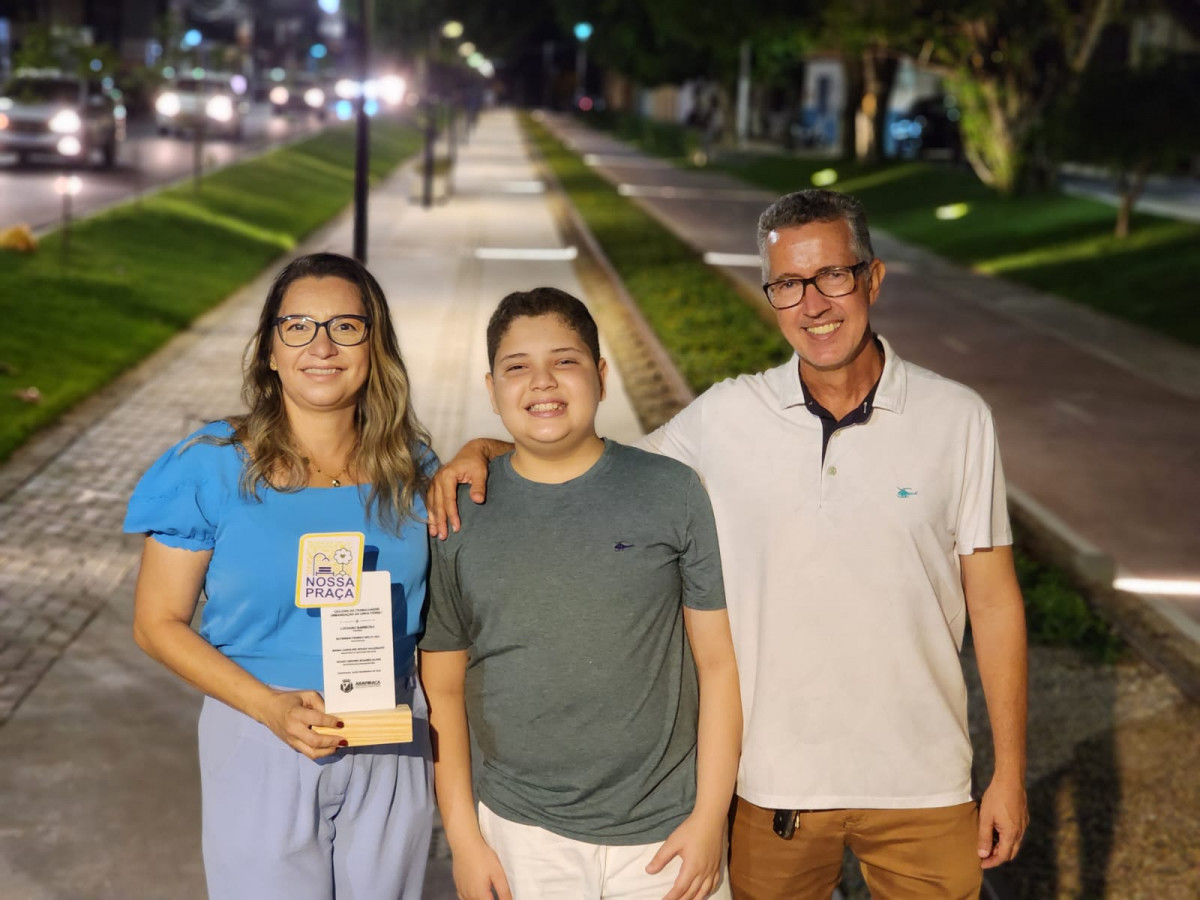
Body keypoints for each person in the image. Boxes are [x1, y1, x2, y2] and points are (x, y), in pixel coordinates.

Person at [428, 191, 1030, 899]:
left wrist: (1009, 771)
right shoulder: (724, 417)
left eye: (832, 275)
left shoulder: (957, 419)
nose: (813, 304)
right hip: (772, 786)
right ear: (770, 296)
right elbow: (590, 465)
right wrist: (486, 449)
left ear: (872, 278)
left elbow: (995, 604)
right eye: (788, 284)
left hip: (923, 782)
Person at [125, 252, 435, 899]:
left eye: (346, 327)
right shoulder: (211, 466)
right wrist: (269, 707)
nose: (321, 346)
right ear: (270, 349)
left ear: (375, 346)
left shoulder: (415, 471)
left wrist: (488, 449)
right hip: (260, 731)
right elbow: (157, 623)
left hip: (390, 735)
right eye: (298, 326)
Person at [419, 287, 741, 900]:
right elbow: (444, 690)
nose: (542, 382)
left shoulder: (671, 492)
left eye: (564, 361)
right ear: (491, 389)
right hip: (521, 835)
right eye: (517, 367)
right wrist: (464, 839)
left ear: (601, 375)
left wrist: (708, 820)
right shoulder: (457, 516)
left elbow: (718, 665)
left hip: (667, 835)